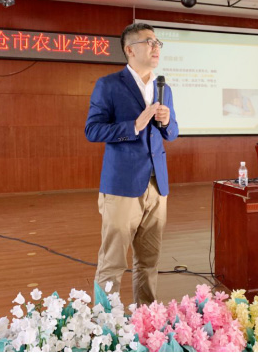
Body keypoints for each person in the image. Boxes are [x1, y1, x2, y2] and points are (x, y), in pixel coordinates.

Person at [84, 22, 178, 305]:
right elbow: (92, 130)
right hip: (122, 185)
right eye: (149, 42)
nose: (156, 47)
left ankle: (146, 317)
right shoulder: (109, 85)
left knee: (149, 261)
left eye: (158, 43)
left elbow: (172, 133)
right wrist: (133, 126)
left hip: (157, 186)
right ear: (130, 49)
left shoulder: (164, 88)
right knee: (113, 261)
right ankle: (104, 322)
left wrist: (166, 122)